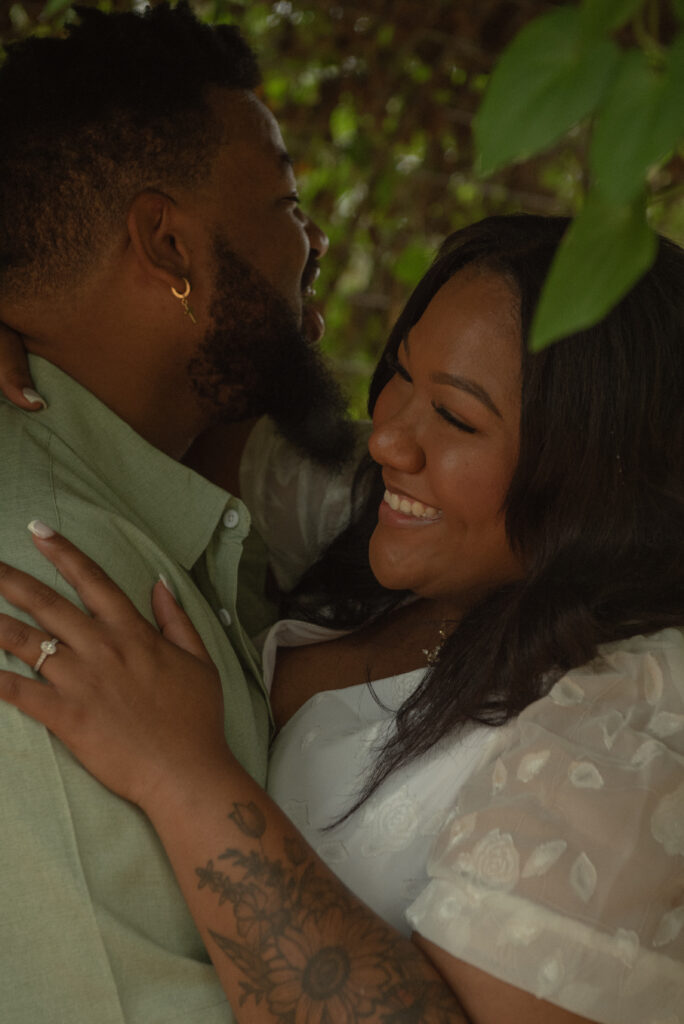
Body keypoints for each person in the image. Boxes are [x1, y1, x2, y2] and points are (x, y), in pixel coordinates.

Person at [0, 214, 682, 1024]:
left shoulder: (631, 718)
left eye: (458, 418)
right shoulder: (392, 523)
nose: (391, 438)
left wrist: (180, 775)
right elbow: (177, 409)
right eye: (400, 372)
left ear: (602, 476)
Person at [0, 4, 356, 1022]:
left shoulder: (154, 498)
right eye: (287, 205)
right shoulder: (62, 587)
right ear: (169, 245)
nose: (314, 243)